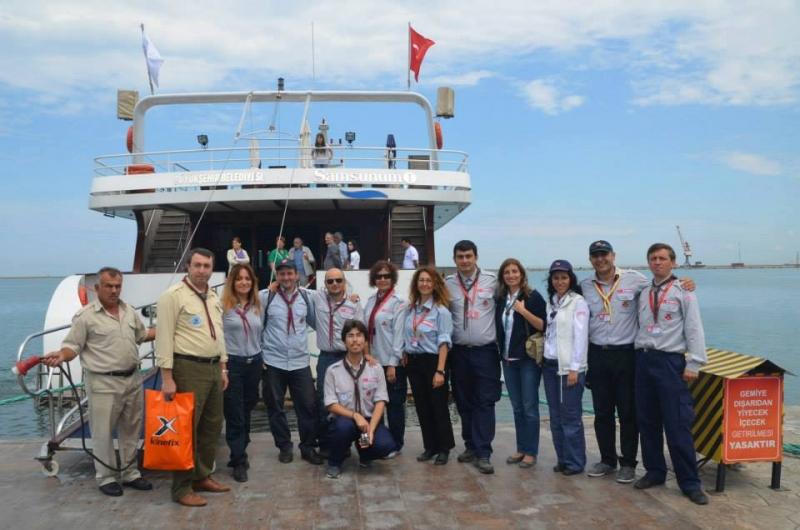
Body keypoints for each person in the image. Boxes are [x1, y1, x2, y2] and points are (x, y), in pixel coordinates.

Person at [581, 240, 696, 483]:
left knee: (628, 412)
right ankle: (607, 459)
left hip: (627, 355)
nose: (600, 259)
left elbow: (663, 284)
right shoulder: (585, 286)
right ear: (590, 259)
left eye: (604, 254)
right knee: (602, 413)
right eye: (595, 256)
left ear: (613, 255)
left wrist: (685, 282)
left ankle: (629, 463)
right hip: (598, 354)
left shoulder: (636, 280)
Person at [42, 267, 155, 497]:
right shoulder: (86, 316)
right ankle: (106, 477)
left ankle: (130, 473)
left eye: (117, 286)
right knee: (102, 433)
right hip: (103, 383)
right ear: (98, 288)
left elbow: (143, 335)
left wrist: (170, 329)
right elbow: (72, 346)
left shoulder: (129, 311)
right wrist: (61, 356)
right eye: (109, 286)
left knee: (131, 429)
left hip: (132, 379)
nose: (114, 291)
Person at [634, 243, 709, 506]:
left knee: (678, 425)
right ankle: (655, 472)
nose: (657, 262)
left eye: (662, 258)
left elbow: (694, 329)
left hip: (670, 362)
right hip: (644, 360)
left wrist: (695, 363)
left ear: (673, 263)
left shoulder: (684, 292)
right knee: (648, 422)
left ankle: (690, 483)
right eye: (653, 258)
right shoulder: (643, 291)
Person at [156, 248, 230, 507]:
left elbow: (218, 334)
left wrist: (223, 367)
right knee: (186, 430)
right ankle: (181, 487)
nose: (201, 270)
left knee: (211, 426)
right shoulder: (172, 297)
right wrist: (167, 377)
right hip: (187, 368)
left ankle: (201, 475)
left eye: (206, 266)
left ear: (212, 269)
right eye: (197, 265)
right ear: (188, 266)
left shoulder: (212, 296)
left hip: (212, 368)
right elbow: (163, 337)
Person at [445, 240, 501, 474]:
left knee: (485, 401)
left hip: (485, 351)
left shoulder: (492, 281)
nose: (465, 261)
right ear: (455, 259)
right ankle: (470, 445)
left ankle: (484, 451)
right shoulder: (447, 283)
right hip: (458, 352)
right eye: (460, 257)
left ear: (476, 257)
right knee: (463, 400)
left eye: (468, 256)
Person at [260, 259, 322, 465]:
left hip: (299, 362)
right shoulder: (265, 297)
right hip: (273, 361)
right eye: (282, 274)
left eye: (289, 274)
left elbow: (315, 320)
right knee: (275, 407)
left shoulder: (306, 296)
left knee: (308, 406)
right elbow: (256, 326)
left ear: (297, 275)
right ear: (277, 276)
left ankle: (308, 447)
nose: (286, 278)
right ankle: (284, 446)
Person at [323, 320, 397, 478]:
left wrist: (371, 428)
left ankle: (365, 454)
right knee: (344, 428)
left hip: (368, 421)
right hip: (344, 420)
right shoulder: (333, 371)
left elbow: (380, 401)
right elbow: (330, 404)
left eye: (359, 335)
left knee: (386, 445)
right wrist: (355, 416)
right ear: (344, 341)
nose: (355, 340)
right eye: (350, 336)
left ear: (365, 341)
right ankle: (335, 462)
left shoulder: (375, 369)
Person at [494, 258, 547, 469]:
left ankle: (531, 452)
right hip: (508, 360)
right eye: (506, 272)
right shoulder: (500, 298)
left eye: (514, 271)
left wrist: (523, 311)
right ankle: (521, 447)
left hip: (527, 361)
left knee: (530, 407)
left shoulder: (533, 297)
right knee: (517, 407)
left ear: (522, 274)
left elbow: (543, 325)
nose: (511, 275)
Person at [542, 260, 589, 477]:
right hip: (550, 365)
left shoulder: (578, 302)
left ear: (570, 278)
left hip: (569, 369)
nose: (560, 281)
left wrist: (574, 368)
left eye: (563, 277)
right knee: (555, 416)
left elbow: (580, 337)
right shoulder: (551, 302)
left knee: (571, 417)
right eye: (556, 278)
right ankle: (562, 458)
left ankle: (575, 462)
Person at [308, 268, 365, 450]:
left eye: (338, 280)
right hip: (326, 358)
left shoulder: (354, 304)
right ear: (325, 284)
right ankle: (326, 444)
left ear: (344, 282)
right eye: (330, 281)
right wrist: (274, 285)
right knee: (324, 400)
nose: (334, 284)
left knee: (349, 399)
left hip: (348, 357)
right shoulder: (317, 298)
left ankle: (348, 444)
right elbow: (294, 288)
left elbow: (361, 332)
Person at [404, 266, 455, 465]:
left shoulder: (441, 311)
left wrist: (440, 370)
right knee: (422, 406)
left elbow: (444, 342)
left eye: (428, 280)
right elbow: (407, 333)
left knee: (438, 406)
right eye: (421, 280)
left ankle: (444, 448)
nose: (424, 284)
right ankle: (429, 446)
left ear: (435, 285)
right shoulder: (411, 309)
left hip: (434, 362)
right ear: (416, 284)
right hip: (414, 362)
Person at [221, 263, 262, 483]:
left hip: (254, 362)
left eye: (247, 278)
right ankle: (238, 459)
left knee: (248, 407)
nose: (244, 282)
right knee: (234, 412)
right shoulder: (224, 307)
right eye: (239, 279)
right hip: (233, 363)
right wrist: (223, 367)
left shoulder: (257, 305)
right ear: (233, 282)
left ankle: (240, 449)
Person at [364, 261, 407, 455]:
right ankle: (379, 442)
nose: (382, 279)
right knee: (374, 407)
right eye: (379, 276)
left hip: (391, 364)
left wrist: (393, 364)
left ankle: (396, 444)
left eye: (386, 276)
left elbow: (398, 335)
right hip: (373, 363)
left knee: (395, 407)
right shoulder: (371, 301)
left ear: (392, 279)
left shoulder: (399, 303)